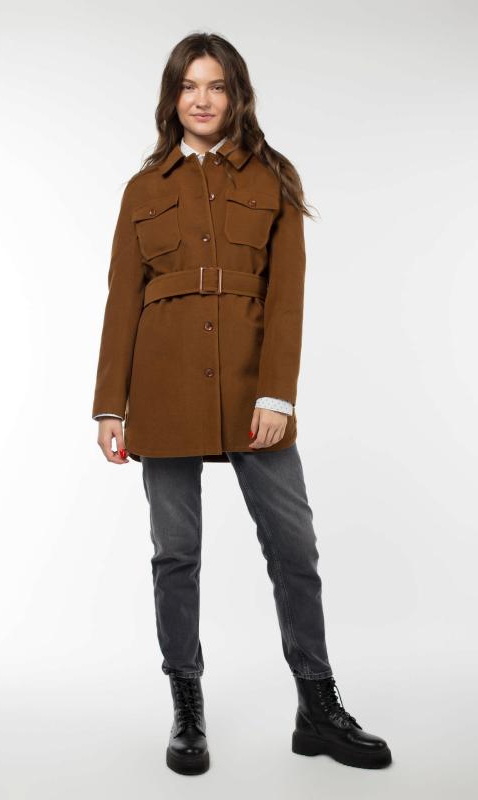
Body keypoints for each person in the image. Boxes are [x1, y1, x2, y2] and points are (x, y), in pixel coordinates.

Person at [92, 32, 392, 774]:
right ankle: (186, 707)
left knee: (294, 547)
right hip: (161, 389)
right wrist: (109, 406)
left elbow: (287, 297)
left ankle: (316, 706)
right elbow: (121, 301)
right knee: (175, 555)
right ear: (172, 97)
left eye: (217, 86)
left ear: (236, 96)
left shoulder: (272, 177)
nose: (202, 99)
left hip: (252, 390)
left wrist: (276, 394)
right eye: (189, 85)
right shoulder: (142, 190)